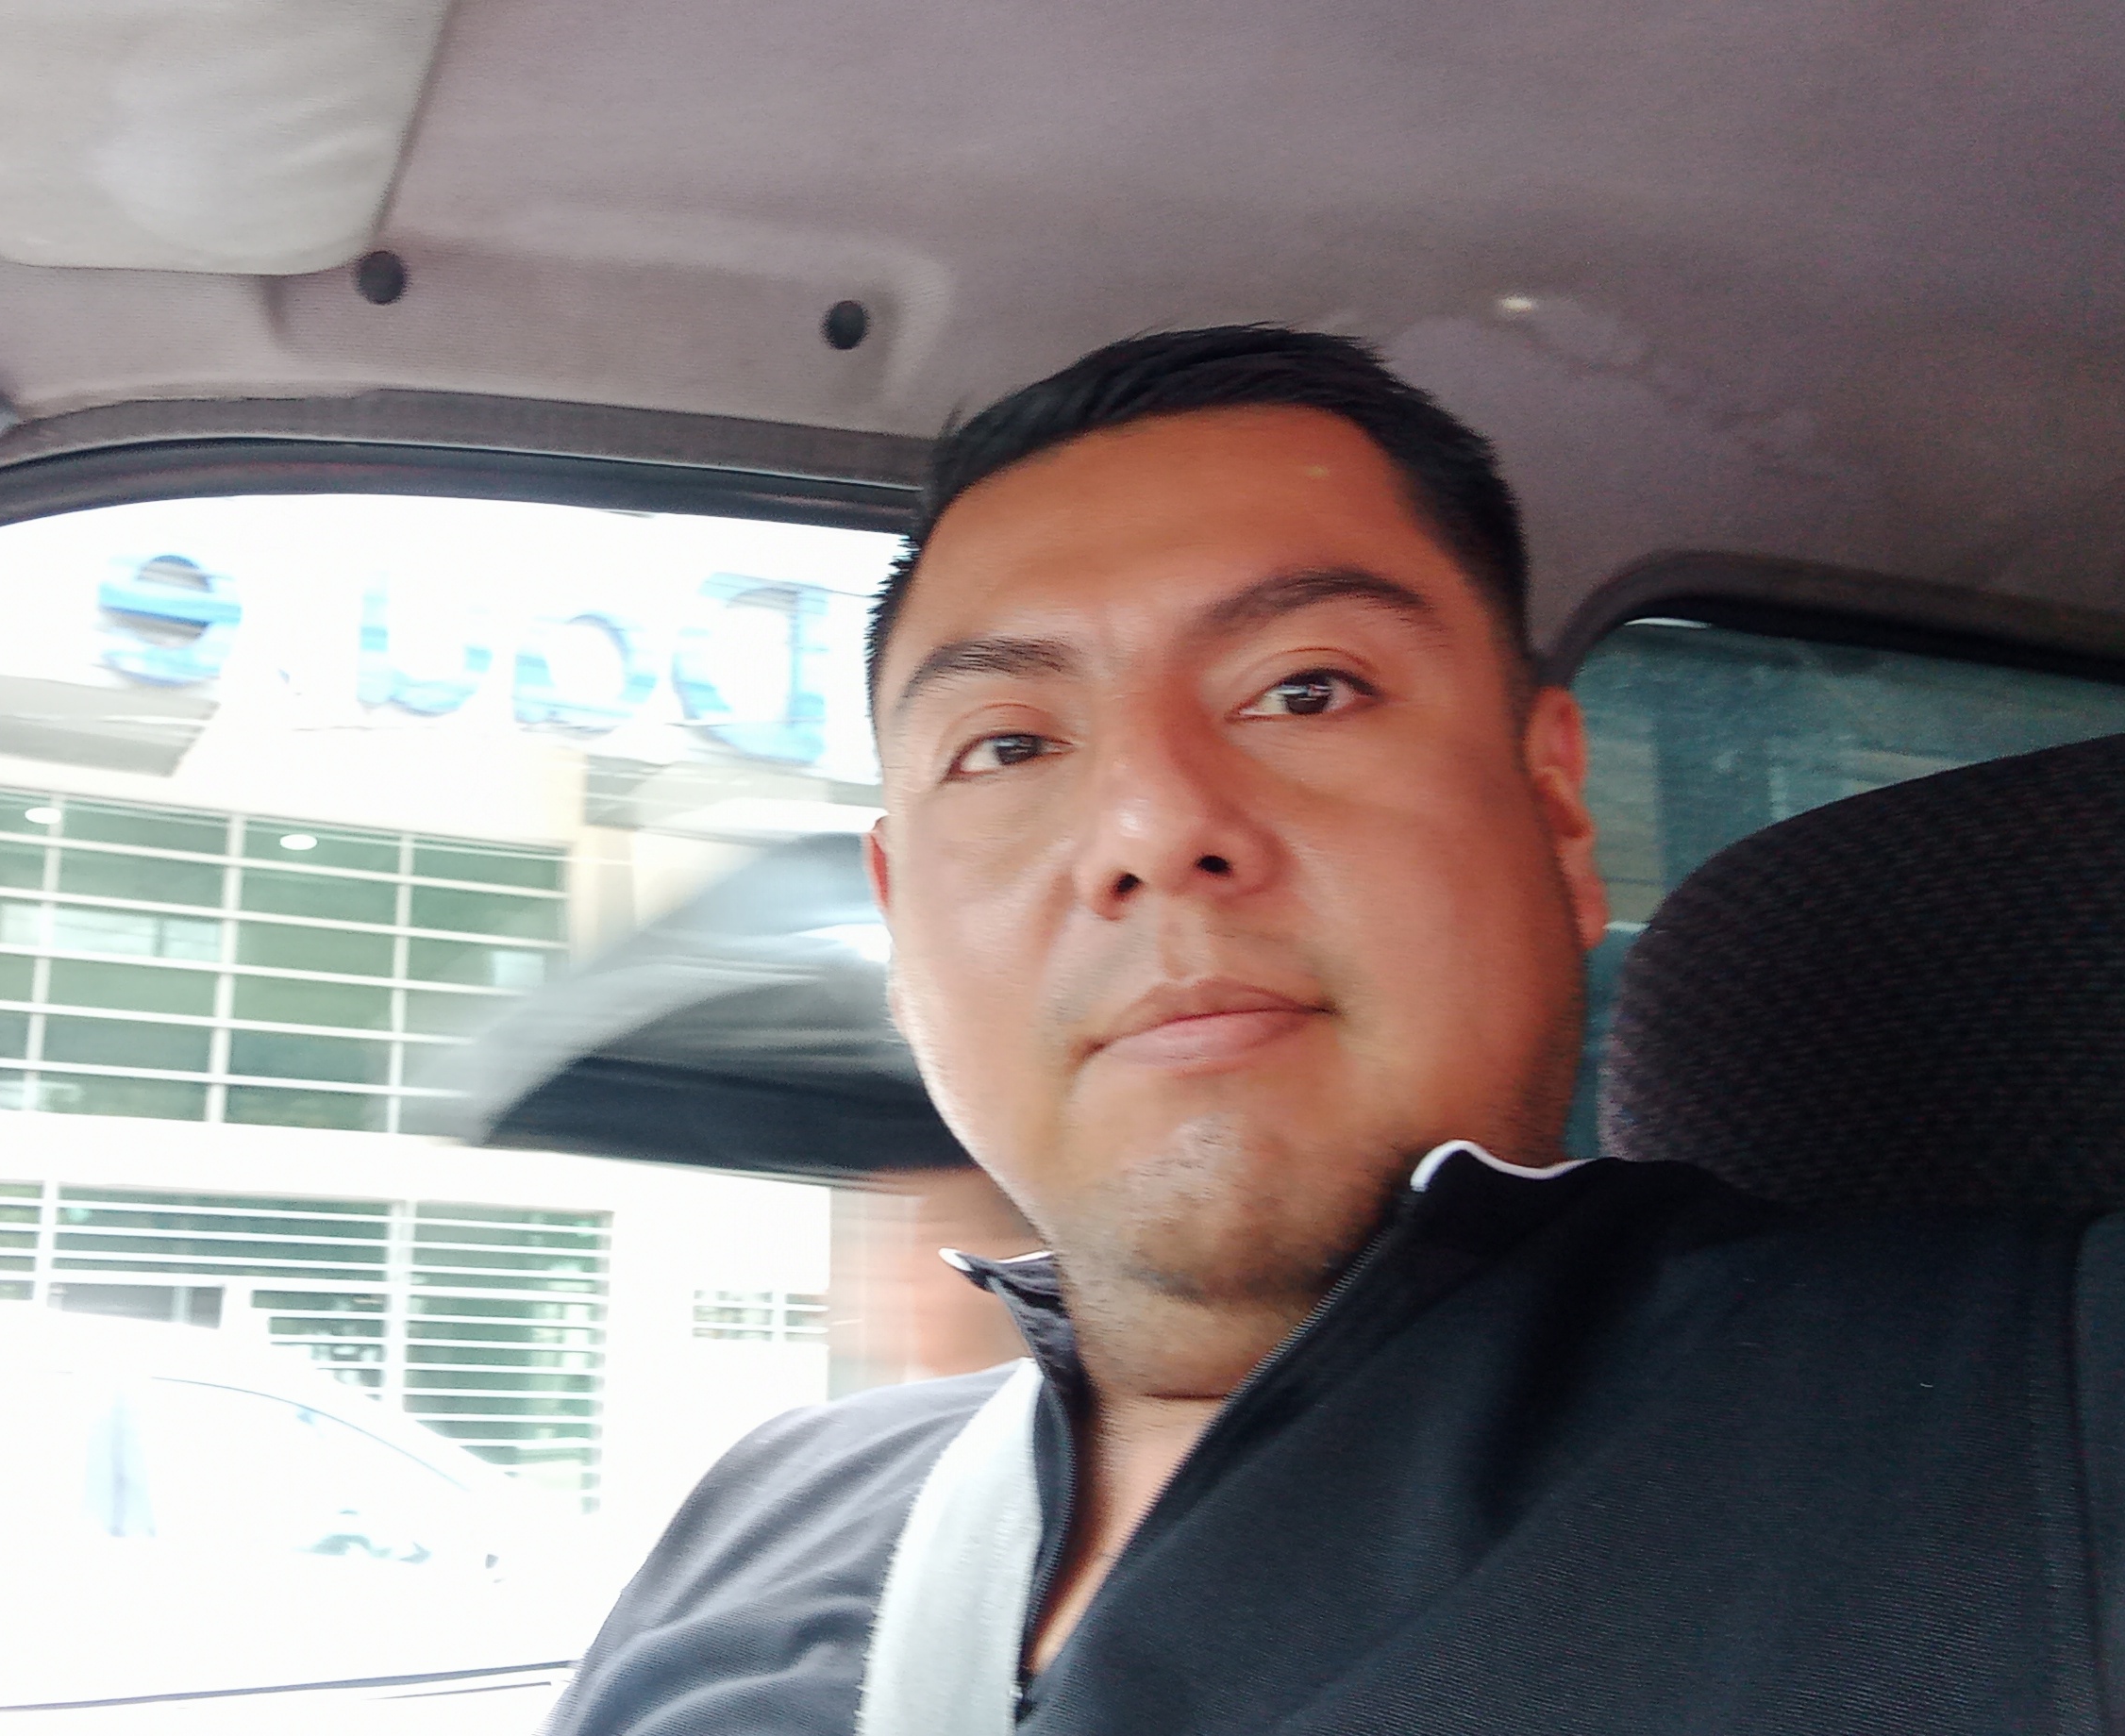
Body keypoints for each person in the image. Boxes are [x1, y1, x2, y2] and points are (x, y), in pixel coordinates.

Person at [545, 327, 2112, 1734]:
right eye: (1007, 746)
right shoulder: (763, 1517)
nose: (1152, 825)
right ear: (900, 927)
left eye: (1306, 690)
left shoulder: (2037, 1416)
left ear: (1555, 812)